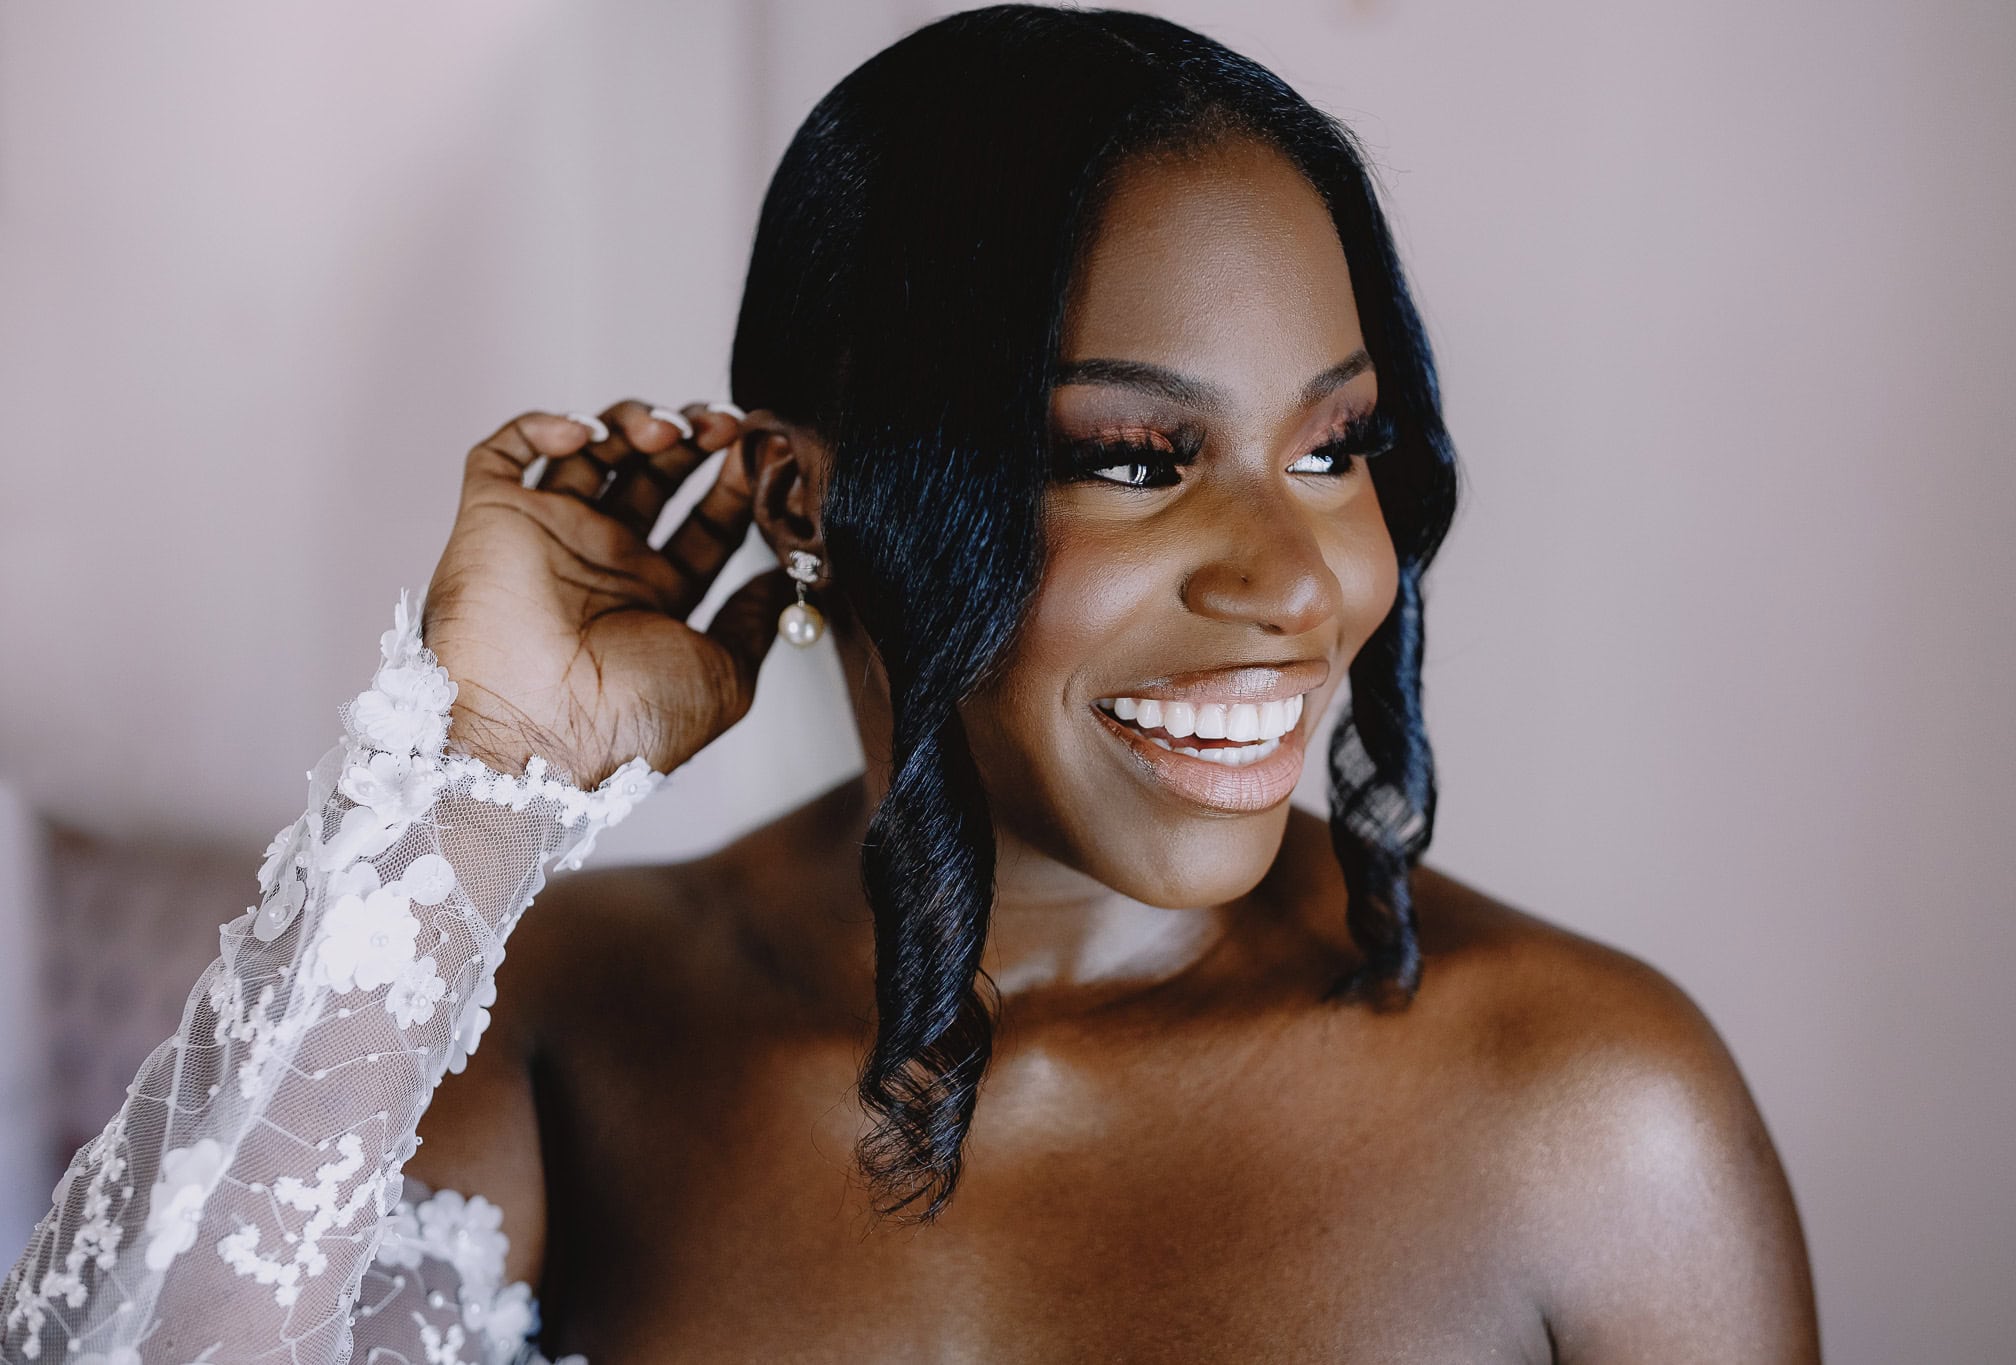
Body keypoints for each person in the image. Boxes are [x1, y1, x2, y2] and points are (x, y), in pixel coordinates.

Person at [1, 6, 1820, 1361]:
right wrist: (479, 770)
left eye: (1336, 444)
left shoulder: (1598, 1118)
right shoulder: (562, 1030)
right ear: (807, 499)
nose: (1300, 577)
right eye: (1131, 455)